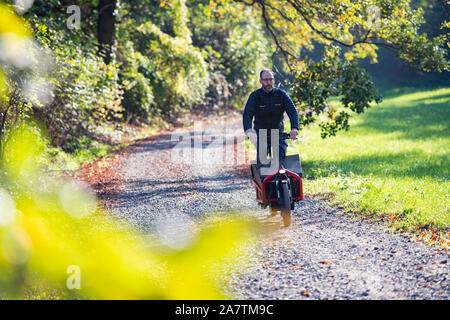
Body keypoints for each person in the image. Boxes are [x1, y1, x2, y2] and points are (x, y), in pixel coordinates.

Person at [243, 69, 299, 165]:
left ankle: (280, 179)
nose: (269, 82)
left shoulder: (282, 94)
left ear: (274, 80)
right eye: (266, 80)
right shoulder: (255, 96)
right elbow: (247, 115)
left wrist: (294, 128)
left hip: (278, 133)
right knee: (263, 163)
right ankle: (263, 179)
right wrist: (250, 132)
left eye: (271, 79)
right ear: (260, 81)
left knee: (280, 162)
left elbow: (293, 112)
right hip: (261, 134)